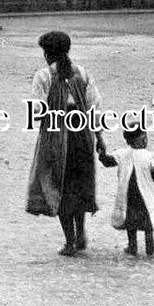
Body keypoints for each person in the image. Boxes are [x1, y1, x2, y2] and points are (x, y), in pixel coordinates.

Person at [25, 31, 103, 257]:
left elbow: (38, 110)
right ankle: (80, 234)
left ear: (48, 53)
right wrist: (100, 140)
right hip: (82, 137)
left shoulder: (43, 76)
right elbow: (94, 109)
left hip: (57, 139)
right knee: (78, 186)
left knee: (58, 187)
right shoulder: (83, 74)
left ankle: (70, 241)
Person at [98, 128, 154, 257]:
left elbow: (108, 162)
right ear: (135, 141)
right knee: (147, 223)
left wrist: (102, 154)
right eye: (143, 139)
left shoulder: (123, 154)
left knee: (131, 222)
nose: (145, 141)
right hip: (145, 195)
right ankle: (149, 247)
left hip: (129, 194)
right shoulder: (150, 157)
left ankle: (132, 246)